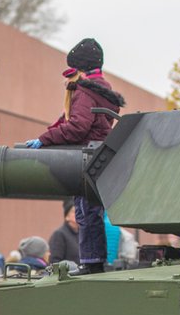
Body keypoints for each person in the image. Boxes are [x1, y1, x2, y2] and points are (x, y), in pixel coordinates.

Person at [23, 38, 125, 275]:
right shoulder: (101, 90)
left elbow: (78, 126)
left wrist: (45, 140)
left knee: (86, 213)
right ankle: (92, 260)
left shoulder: (85, 91)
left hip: (84, 157)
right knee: (90, 213)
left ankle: (91, 263)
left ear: (80, 69)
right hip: (96, 155)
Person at [48, 199, 80, 265]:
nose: (78, 214)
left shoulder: (81, 234)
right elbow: (54, 261)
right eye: (74, 211)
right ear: (67, 216)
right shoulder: (59, 235)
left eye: (80, 211)